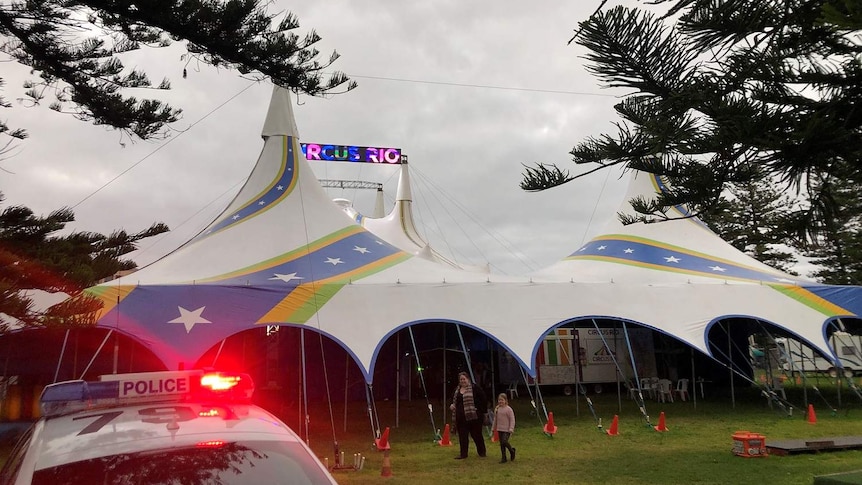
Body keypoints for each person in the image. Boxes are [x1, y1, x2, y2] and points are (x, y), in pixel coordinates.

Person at [449, 371, 487, 459]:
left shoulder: (474, 388)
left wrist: (480, 410)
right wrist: (452, 405)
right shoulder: (457, 390)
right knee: (462, 436)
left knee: (476, 435)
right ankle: (463, 454)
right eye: (461, 379)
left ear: (468, 379)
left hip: (474, 417)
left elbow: (483, 398)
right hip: (461, 418)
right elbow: (452, 400)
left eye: (464, 379)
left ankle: (482, 452)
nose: (462, 381)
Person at [492, 393, 516, 463]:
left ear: (505, 400)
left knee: (504, 441)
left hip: (507, 429)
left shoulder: (509, 409)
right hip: (500, 429)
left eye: (502, 400)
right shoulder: (497, 409)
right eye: (499, 400)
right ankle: (504, 458)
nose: (500, 401)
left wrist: (511, 429)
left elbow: (512, 419)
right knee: (502, 444)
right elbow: (495, 419)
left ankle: (512, 451)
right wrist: (493, 428)